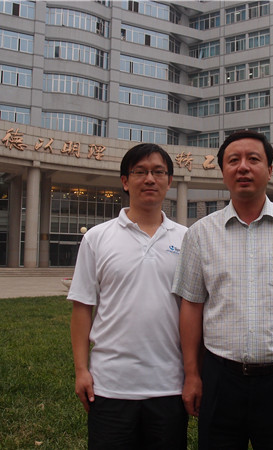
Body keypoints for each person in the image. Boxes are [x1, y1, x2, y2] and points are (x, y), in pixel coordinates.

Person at [172, 130, 273, 450]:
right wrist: (192, 373)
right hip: (220, 379)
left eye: (253, 159)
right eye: (233, 160)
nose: (243, 167)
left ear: (270, 170)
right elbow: (191, 305)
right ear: (223, 172)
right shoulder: (200, 234)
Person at [69, 143, 188, 449]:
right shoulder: (97, 238)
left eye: (158, 172)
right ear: (125, 181)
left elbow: (193, 311)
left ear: (169, 181)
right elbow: (82, 307)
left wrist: (194, 374)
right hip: (109, 386)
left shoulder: (187, 239)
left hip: (169, 386)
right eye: (140, 172)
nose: (149, 179)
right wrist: (81, 370)